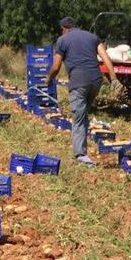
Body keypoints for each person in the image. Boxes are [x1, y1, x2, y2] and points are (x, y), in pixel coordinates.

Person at [47, 17, 120, 166]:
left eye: (62, 29)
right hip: (96, 81)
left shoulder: (62, 40)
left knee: (78, 117)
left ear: (65, 28)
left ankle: (80, 154)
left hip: (79, 82)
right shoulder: (92, 37)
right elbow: (105, 57)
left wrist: (48, 79)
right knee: (83, 114)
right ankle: (82, 149)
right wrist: (113, 78)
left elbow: (56, 66)